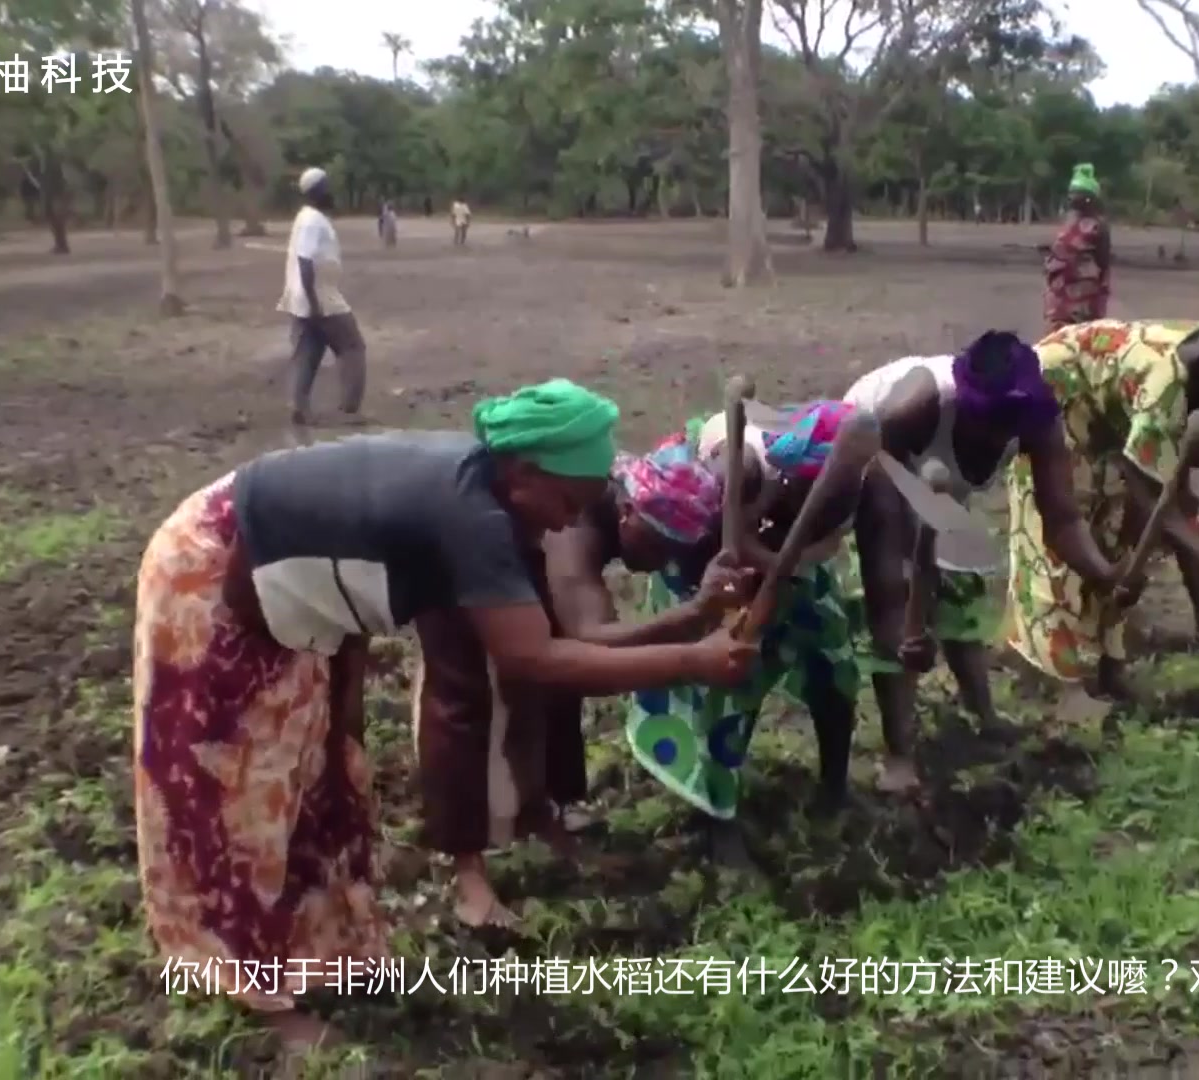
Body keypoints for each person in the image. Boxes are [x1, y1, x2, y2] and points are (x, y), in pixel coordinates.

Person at [131, 377, 757, 1051]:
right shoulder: (471, 516)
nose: (569, 523)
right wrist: (693, 660)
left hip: (294, 601)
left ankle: (326, 954)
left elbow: (548, 649)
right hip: (212, 571)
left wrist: (692, 622)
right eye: (567, 502)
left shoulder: (498, 506)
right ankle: (257, 995)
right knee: (233, 794)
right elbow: (536, 661)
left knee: (319, 777)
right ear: (524, 470)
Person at [426, 443, 749, 926]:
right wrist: (692, 625)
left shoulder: (619, 501)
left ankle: (544, 816)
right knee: (473, 707)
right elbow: (588, 640)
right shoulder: (574, 531)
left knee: (555, 695)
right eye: (659, 544)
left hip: (513, 584)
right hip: (457, 579)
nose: (663, 560)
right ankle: (469, 873)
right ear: (628, 514)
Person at [844, 332, 1125, 792]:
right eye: (988, 419)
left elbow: (1063, 518)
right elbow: (886, 561)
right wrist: (909, 618)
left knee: (961, 588)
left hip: (939, 485)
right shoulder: (914, 408)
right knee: (898, 608)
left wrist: (1104, 574)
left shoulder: (1038, 419)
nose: (998, 431)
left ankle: (983, 713)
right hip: (874, 465)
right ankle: (898, 754)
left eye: (1009, 421)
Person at [1005, 310, 1199, 705]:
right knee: (1058, 534)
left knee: (1120, 548)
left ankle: (1107, 666)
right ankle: (1058, 680)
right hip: (1054, 394)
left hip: (1111, 409)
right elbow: (1151, 493)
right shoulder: (1166, 383)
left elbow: (1183, 449)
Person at [623, 402, 870, 860]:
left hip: (789, 567)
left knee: (833, 662)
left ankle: (834, 785)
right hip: (703, 561)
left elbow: (820, 545)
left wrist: (779, 570)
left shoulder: (851, 485)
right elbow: (708, 552)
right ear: (792, 478)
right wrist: (744, 595)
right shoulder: (738, 470)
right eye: (807, 494)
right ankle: (718, 812)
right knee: (726, 681)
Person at [278, 167, 367, 430]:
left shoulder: (306, 217)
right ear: (319, 191)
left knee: (308, 351)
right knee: (353, 347)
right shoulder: (312, 220)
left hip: (304, 296)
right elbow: (305, 261)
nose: (332, 191)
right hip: (320, 296)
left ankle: (299, 407)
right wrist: (315, 303)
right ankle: (349, 409)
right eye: (327, 186)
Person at [1044, 163, 1113, 331]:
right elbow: (1104, 259)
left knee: (1061, 336)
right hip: (1075, 297)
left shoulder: (1067, 222)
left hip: (1063, 296)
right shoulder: (1097, 224)